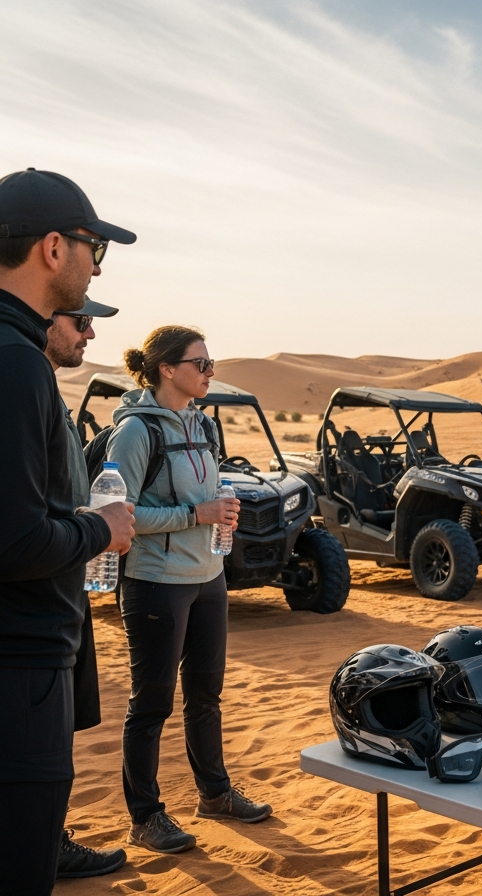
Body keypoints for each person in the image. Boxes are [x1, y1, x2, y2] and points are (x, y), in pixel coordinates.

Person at [0, 168, 137, 896]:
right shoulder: (16, 362)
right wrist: (99, 527)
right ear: (54, 248)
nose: (95, 267)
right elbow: (14, 541)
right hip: (18, 671)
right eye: (93, 249)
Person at [106, 326, 271, 855]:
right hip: (155, 582)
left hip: (208, 577)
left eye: (210, 361)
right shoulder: (135, 433)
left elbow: (208, 493)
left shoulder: (203, 425)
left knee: (206, 696)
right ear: (166, 370)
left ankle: (215, 794)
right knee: (151, 704)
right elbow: (119, 514)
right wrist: (195, 514)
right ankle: (146, 816)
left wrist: (219, 511)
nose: (209, 371)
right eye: (200, 363)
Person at [43, 298, 130, 879]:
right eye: (79, 321)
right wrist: (97, 526)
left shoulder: (46, 390)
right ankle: (43, 846)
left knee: (57, 743)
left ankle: (50, 838)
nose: (90, 333)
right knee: (39, 754)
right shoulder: (21, 381)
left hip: (65, 586)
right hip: (39, 598)